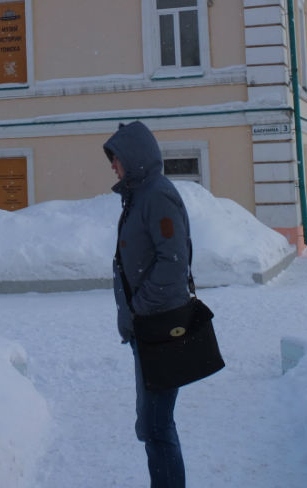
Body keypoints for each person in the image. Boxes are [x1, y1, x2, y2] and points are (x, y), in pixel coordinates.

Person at [106, 120, 190, 488]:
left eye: (116, 158)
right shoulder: (139, 195)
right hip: (148, 326)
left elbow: (173, 261)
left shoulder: (157, 195)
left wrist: (138, 305)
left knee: (156, 426)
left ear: (135, 157)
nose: (113, 166)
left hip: (161, 326)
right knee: (153, 424)